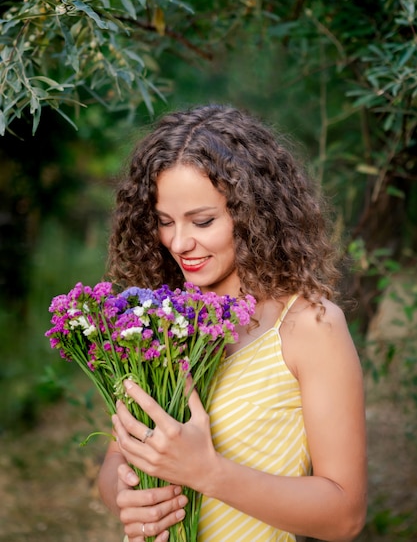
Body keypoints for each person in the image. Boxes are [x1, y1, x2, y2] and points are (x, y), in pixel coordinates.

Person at [97, 104, 367, 542]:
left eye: (202, 221)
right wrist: (127, 496)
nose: (179, 243)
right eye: (165, 222)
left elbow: (344, 515)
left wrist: (208, 472)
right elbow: (116, 461)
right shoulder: (158, 322)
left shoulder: (310, 328)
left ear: (251, 213)